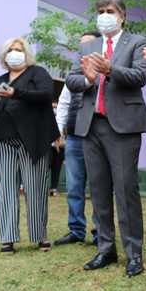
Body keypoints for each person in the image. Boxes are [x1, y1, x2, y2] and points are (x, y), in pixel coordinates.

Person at [66, 0, 146, 277]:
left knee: (126, 190)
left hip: (123, 127)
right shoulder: (89, 44)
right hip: (91, 125)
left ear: (122, 16)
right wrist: (89, 78)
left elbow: (140, 76)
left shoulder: (136, 42)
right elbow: (71, 79)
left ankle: (133, 253)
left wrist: (109, 69)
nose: (105, 15)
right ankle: (105, 248)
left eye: (110, 11)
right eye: (101, 11)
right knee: (99, 190)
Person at [0, 37, 59, 254]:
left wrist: (16, 93)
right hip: (3, 141)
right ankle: (7, 239)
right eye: (10, 50)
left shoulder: (36, 73)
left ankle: (40, 236)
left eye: (18, 49)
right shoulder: (1, 80)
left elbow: (47, 94)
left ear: (26, 53)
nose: (14, 53)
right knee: (6, 189)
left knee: (35, 187)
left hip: (33, 140)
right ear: (4, 56)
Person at [54, 31, 101, 246]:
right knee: (74, 186)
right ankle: (76, 229)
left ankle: (101, 231)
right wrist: (58, 132)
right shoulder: (73, 76)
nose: (84, 48)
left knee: (99, 186)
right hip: (74, 137)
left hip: (97, 136)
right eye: (80, 45)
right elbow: (63, 104)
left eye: (88, 44)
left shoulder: (105, 72)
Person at [49, 100, 65, 196]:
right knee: (46, 165)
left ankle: (53, 188)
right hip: (48, 145)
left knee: (57, 167)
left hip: (61, 145)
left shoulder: (62, 112)